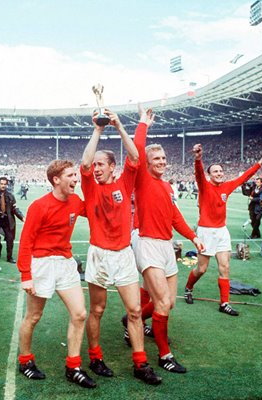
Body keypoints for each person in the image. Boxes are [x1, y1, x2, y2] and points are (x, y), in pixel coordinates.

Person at [80, 109, 161, 385]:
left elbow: (136, 157)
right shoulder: (91, 186)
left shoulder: (125, 184)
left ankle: (140, 363)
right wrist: (98, 130)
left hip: (123, 254)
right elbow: (85, 163)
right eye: (97, 165)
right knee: (97, 310)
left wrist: (118, 125)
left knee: (135, 311)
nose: (98, 168)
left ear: (113, 166)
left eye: (103, 164)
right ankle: (95, 356)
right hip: (99, 255)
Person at [131, 106, 205, 374]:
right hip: (147, 243)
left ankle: (133, 320)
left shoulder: (167, 186)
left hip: (165, 245)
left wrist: (194, 236)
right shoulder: (141, 179)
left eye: (164, 158)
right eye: (157, 158)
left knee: (169, 302)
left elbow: (175, 217)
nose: (162, 161)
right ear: (147, 163)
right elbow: (137, 150)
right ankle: (164, 355)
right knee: (162, 301)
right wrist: (144, 124)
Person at [16, 160, 96, 389]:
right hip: (41, 264)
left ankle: (73, 367)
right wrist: (26, 275)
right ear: (56, 179)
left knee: (80, 314)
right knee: (34, 316)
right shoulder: (39, 206)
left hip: (65, 262)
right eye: (70, 175)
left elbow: (94, 209)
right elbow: (26, 242)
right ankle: (25, 360)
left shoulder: (75, 201)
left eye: (75, 176)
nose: (75, 179)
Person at [183, 145, 262, 316]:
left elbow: (246, 176)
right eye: (215, 171)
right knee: (201, 269)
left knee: (225, 267)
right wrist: (198, 158)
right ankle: (188, 288)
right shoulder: (204, 186)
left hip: (222, 231)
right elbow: (198, 174)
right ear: (209, 175)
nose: (219, 173)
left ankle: (224, 303)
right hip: (206, 231)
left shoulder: (227, 187)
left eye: (221, 171)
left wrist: (261, 161)